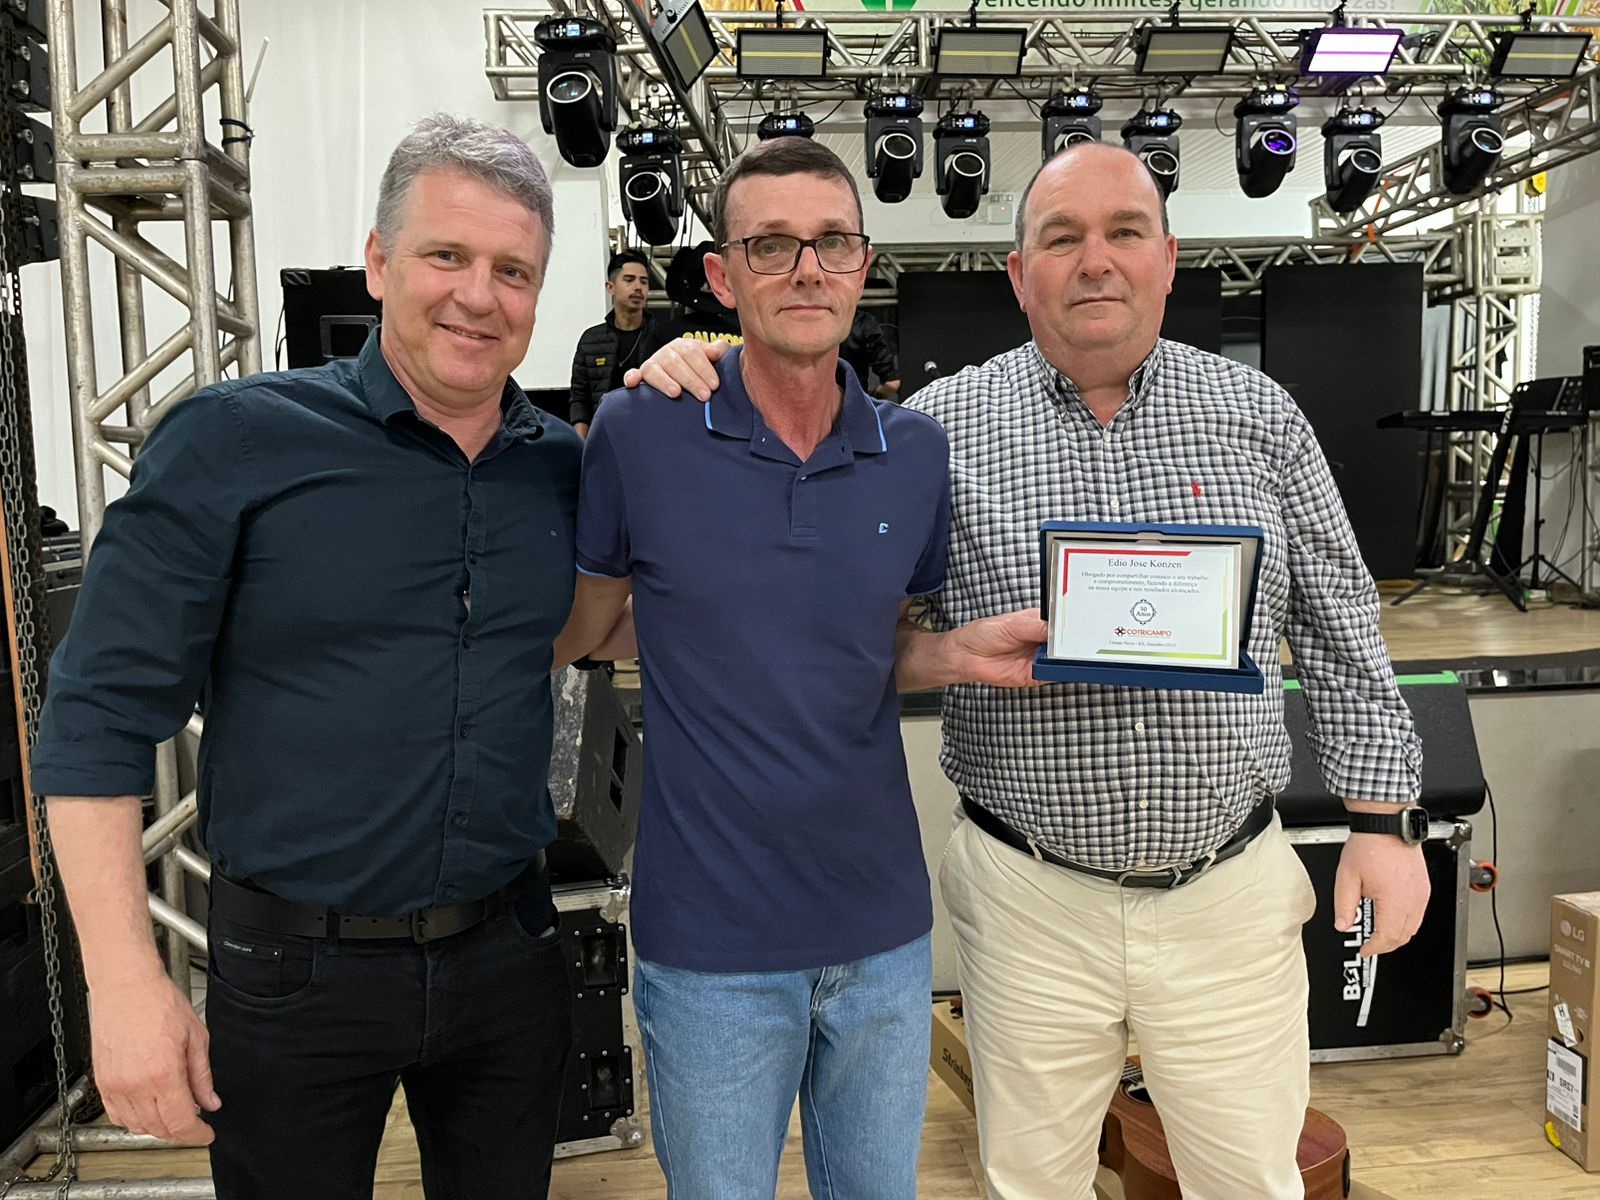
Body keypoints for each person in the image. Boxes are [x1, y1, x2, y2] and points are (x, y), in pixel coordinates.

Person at [631, 141, 1429, 1200]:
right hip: (1027, 900)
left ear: (1168, 259)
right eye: (1061, 238)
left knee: (1250, 1182)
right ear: (1018, 274)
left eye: (1124, 233)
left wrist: (1384, 824)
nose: (1094, 261)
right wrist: (698, 359)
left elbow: (1341, 628)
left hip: (1228, 894)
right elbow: (841, 630)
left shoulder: (1260, 416)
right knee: (1029, 1183)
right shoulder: (933, 435)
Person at [32, 114, 582, 1200]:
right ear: (378, 262)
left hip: (509, 955)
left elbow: (593, 629)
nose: (479, 296)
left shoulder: (561, 466)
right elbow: (94, 719)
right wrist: (125, 982)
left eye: (512, 270)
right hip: (295, 973)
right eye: (446, 255)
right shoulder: (236, 441)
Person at [552, 136, 1045, 1200]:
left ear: (864, 264)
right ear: (723, 275)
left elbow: (864, 643)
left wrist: (955, 653)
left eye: (831, 243)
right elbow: (587, 631)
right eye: (771, 245)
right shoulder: (639, 430)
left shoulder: (914, 454)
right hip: (710, 946)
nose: (806, 269)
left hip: (881, 937)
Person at [570, 248, 655, 436]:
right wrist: (582, 444)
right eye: (629, 280)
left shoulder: (660, 335)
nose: (638, 287)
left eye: (644, 281)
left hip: (651, 433)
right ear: (611, 287)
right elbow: (580, 399)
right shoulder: (591, 339)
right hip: (604, 434)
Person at [839, 307, 901, 400]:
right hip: (855, 401)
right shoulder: (863, 322)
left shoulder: (816, 323)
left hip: (818, 402)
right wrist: (872, 398)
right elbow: (892, 383)